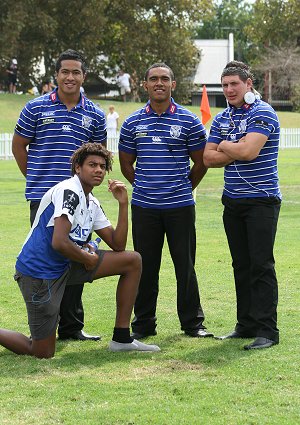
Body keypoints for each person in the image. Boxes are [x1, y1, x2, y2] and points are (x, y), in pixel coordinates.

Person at [0, 143, 160, 358]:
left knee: (132, 260)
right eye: (92, 165)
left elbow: (117, 244)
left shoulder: (91, 201)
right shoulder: (70, 191)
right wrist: (87, 257)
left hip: (66, 265)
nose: (99, 170)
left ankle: (121, 338)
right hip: (39, 272)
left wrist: (123, 203)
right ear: (77, 168)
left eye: (103, 166)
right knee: (42, 351)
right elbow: (59, 241)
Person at [11, 49, 107, 342]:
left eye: (76, 72)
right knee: (48, 258)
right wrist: (40, 182)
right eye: (65, 71)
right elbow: (19, 147)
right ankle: (45, 326)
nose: (70, 77)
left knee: (76, 257)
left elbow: (98, 156)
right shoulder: (35, 108)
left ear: (83, 76)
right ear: (56, 75)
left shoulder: (94, 114)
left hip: (80, 200)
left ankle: (72, 327)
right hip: (44, 199)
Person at [119, 62, 213, 340]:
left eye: (164, 79)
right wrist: (145, 186)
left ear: (173, 85)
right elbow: (126, 164)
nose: (159, 83)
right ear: (145, 85)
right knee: (145, 266)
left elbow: (201, 162)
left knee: (185, 265)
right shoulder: (133, 122)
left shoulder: (189, 120)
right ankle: (144, 324)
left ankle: (193, 324)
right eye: (153, 79)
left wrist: (184, 186)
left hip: (180, 207)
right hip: (145, 208)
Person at [203, 60, 281, 350]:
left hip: (261, 201)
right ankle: (246, 324)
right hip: (233, 201)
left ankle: (267, 331)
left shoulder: (263, 112)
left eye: (234, 84)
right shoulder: (223, 118)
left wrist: (224, 145)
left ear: (249, 84)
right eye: (224, 85)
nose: (229, 90)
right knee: (241, 265)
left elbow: (249, 152)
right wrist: (230, 147)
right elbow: (207, 160)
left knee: (261, 265)